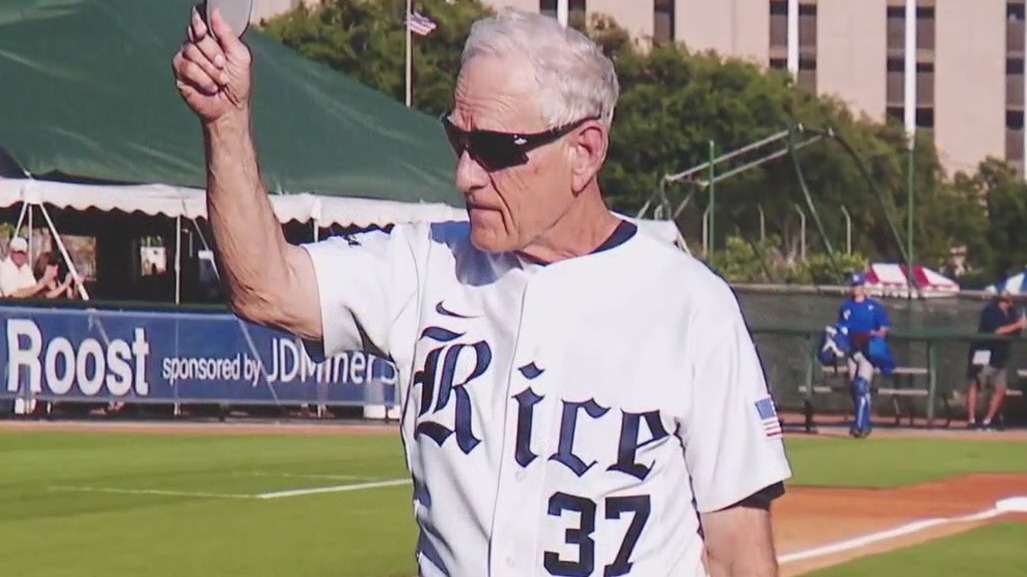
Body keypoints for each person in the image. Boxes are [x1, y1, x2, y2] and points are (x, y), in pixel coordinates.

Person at [173, 8, 792, 577]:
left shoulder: (690, 307)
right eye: (457, 141)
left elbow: (738, 552)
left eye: (496, 150)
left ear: (584, 152)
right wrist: (226, 122)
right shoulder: (428, 264)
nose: (466, 174)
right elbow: (264, 288)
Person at [837, 272, 891, 438]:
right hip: (852, 350)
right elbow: (841, 329)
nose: (856, 289)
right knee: (856, 389)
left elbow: (884, 327)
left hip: (868, 351)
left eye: (859, 285)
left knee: (862, 386)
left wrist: (876, 337)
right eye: (854, 286)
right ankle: (864, 422)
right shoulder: (846, 307)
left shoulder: (873, 306)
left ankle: (860, 426)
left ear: (864, 287)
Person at [965, 291, 1025, 431]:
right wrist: (1017, 325)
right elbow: (997, 331)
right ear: (1002, 300)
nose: (1011, 302)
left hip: (1000, 356)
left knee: (1000, 389)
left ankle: (988, 420)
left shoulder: (1012, 313)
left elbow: (1015, 330)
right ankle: (972, 420)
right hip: (983, 352)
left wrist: (1021, 325)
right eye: (1008, 299)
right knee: (976, 384)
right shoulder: (990, 310)